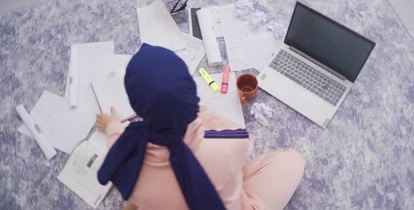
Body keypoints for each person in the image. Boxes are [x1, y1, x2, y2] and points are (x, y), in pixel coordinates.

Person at [96, 44, 305, 210]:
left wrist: (111, 124)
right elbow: (246, 142)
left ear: (137, 107)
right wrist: (204, 113)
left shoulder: (125, 152)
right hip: (227, 194)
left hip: (156, 198)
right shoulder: (230, 144)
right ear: (190, 90)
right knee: (292, 160)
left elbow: (117, 135)